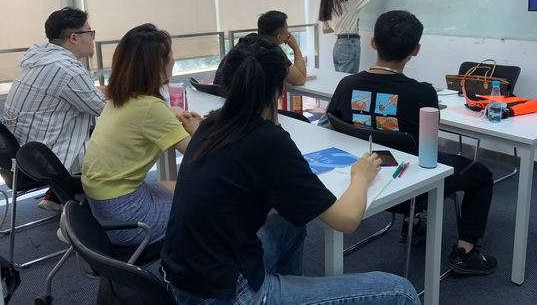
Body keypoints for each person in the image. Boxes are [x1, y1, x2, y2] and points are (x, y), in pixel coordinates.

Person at [161, 35, 419, 305]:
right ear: (281, 88)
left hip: (181, 280)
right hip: (226, 294)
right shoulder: (267, 140)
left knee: (288, 224)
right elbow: (347, 221)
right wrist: (360, 176)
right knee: (401, 292)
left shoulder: (210, 124)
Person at [327, 10, 498, 276]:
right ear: (415, 50)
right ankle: (465, 252)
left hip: (359, 176)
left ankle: (413, 223)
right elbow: (427, 143)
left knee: (404, 149)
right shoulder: (422, 92)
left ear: (373, 42)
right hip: (409, 182)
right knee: (481, 174)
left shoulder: (346, 84)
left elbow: (333, 128)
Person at [81, 24, 202, 246]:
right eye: (170, 54)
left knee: (179, 187)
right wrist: (195, 129)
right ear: (158, 65)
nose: (174, 59)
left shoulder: (121, 98)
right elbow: (200, 154)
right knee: (207, 205)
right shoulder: (150, 108)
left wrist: (170, 112)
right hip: (127, 219)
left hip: (102, 207)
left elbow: (145, 117)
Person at [3, 7, 106, 211]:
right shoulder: (67, 69)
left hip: (26, 154)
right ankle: (107, 208)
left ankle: (57, 196)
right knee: (122, 143)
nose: (92, 38)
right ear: (74, 37)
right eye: (90, 32)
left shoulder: (42, 60)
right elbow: (105, 110)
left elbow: (84, 94)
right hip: (48, 159)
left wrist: (117, 89)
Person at [318, 0, 386, 74]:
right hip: (349, 43)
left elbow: (326, 30)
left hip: (338, 45)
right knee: (349, 80)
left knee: (340, 78)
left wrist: (345, 23)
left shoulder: (327, 3)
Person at [214, 10, 307, 86]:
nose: (288, 33)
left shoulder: (245, 41)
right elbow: (300, 80)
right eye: (286, 30)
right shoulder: (271, 50)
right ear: (279, 37)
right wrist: (295, 47)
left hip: (219, 96)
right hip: (239, 101)